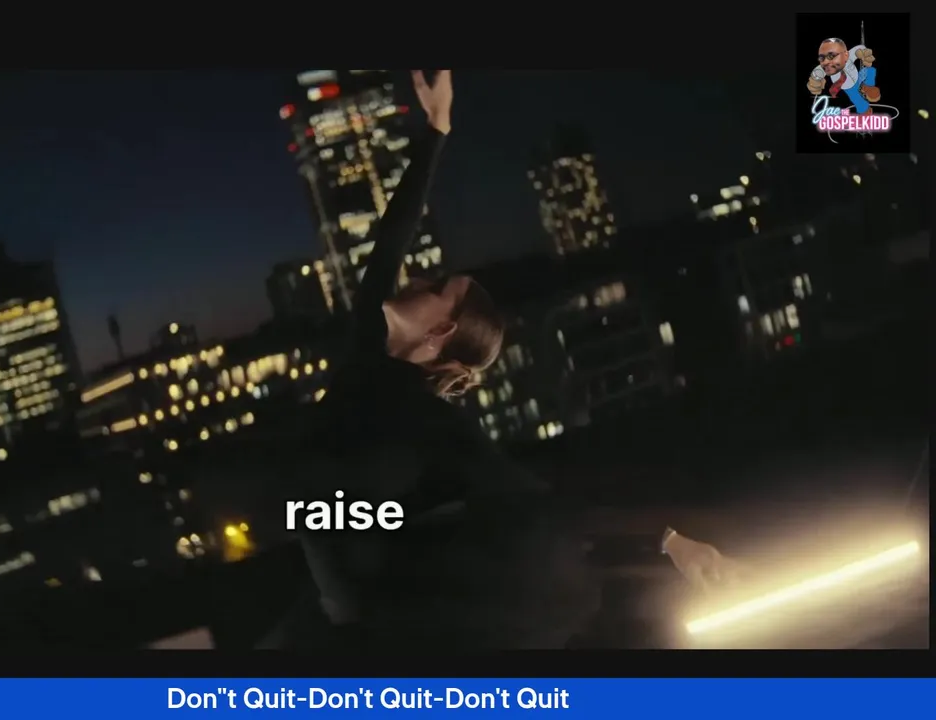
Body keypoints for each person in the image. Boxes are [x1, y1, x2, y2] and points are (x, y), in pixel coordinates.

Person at [262, 70, 741, 650]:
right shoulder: (370, 347)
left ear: (440, 330)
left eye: (436, 287)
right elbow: (394, 235)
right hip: (335, 594)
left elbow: (538, 498)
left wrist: (668, 540)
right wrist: (437, 129)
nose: (416, 279)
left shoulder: (429, 421)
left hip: (375, 628)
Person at [806, 37, 878, 116]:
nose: (826, 61)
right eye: (821, 58)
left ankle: (868, 87)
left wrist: (863, 53)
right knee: (857, 99)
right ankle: (864, 110)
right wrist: (815, 80)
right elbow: (817, 72)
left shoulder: (849, 56)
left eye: (831, 56)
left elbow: (860, 48)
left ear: (845, 55)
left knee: (870, 70)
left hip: (858, 78)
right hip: (849, 87)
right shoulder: (826, 67)